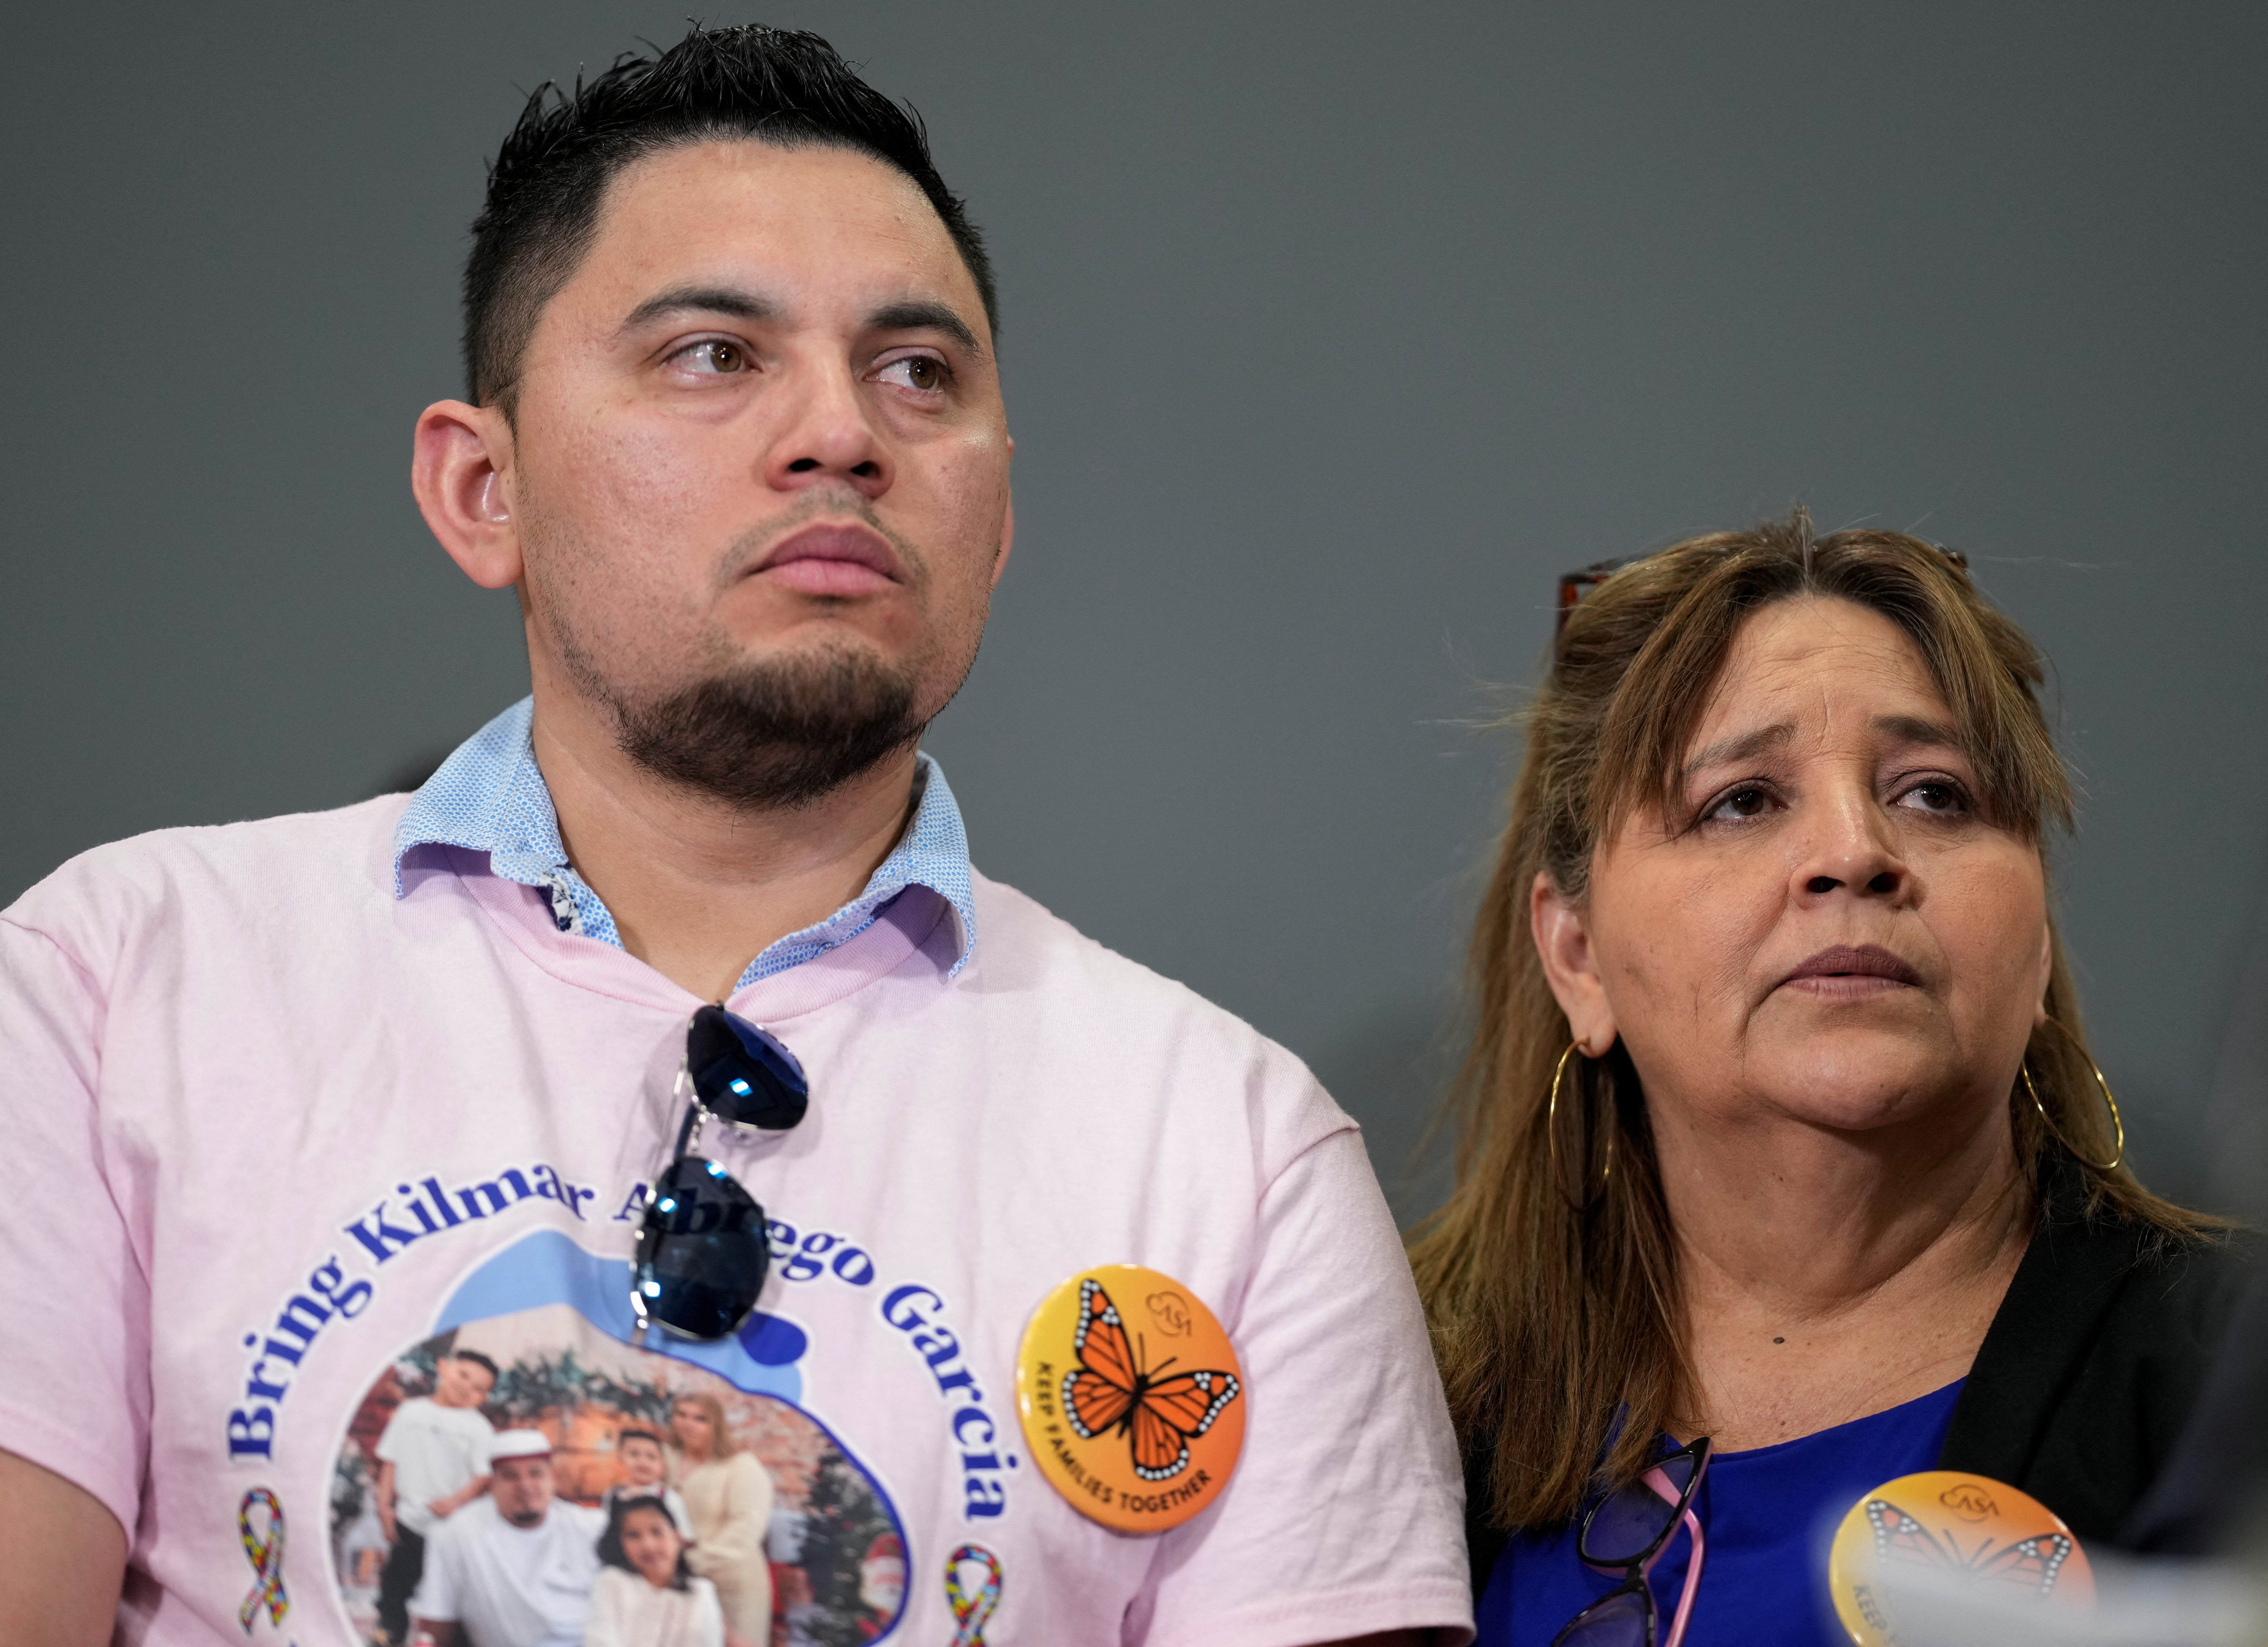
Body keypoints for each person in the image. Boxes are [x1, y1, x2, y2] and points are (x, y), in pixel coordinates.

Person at [0, 23, 1469, 1645]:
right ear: (482, 490)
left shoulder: (1232, 1162)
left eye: (917, 372)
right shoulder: (110, 990)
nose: (841, 433)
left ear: (999, 521)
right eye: (714, 355)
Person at [1407, 514, 2251, 1645]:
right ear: (1578, 954)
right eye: (1743, 799)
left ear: (2041, 937)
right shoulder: (1400, 1393)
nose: (1856, 848)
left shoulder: (2233, 1383)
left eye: (1936, 792)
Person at [410, 1431, 604, 1647]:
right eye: (510, 1476)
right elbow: (436, 1620)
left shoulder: (591, 1527)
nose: (525, 1486)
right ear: (492, 1485)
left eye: (536, 1474)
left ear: (553, 1479)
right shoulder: (457, 1534)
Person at [372, 1349, 501, 1645]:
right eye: (464, 1376)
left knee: (452, 1597)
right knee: (394, 1591)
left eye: (479, 1388)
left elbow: (483, 1475)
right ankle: (387, 1637)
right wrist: (384, 1507)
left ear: (484, 1397)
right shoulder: (410, 1412)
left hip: (452, 1531)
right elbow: (391, 1462)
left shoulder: (478, 1428)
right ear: (444, 1367)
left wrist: (457, 1500)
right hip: (409, 1521)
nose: (467, 1387)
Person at [665, 1396, 772, 1644]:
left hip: (733, 1583)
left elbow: (747, 1526)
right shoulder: (666, 1457)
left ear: (718, 1425)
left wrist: (691, 1561)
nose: (687, 1424)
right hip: (680, 1580)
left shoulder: (741, 1466)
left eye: (700, 1419)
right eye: (681, 1414)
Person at [589, 1496, 728, 1647]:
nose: (648, 1546)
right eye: (634, 1536)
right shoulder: (612, 1583)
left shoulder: (700, 1592)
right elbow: (600, 1640)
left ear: (678, 1537)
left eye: (657, 1532)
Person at [604, 1426, 693, 1549]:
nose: (643, 1462)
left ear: (663, 1467)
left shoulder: (669, 1498)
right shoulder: (613, 1495)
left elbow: (685, 1538)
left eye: (651, 1457)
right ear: (619, 1460)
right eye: (634, 1454)